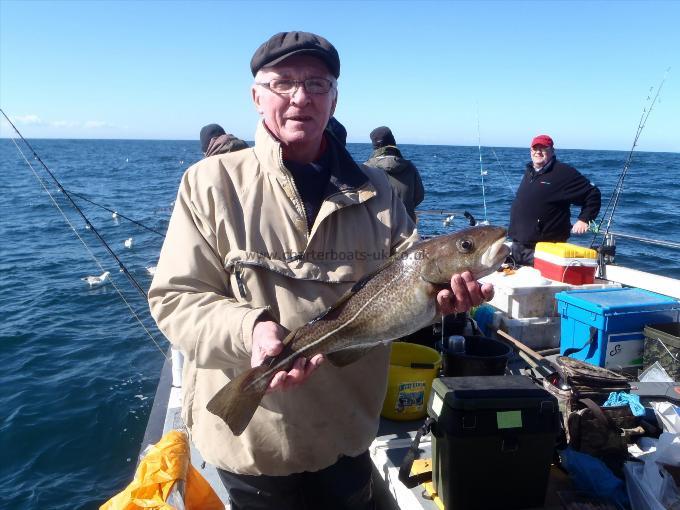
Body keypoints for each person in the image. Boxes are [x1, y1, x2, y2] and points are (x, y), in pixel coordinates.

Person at [148, 31, 493, 510]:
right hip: (256, 440)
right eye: (282, 83)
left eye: (316, 83)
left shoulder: (380, 192)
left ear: (334, 98)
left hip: (346, 427)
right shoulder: (210, 184)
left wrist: (442, 307)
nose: (299, 97)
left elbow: (410, 293)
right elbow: (175, 298)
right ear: (255, 96)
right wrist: (251, 330)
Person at [508, 134, 601, 266]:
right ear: (530, 151)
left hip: (545, 249)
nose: (538, 152)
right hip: (518, 245)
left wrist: (584, 219)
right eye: (535, 148)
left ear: (552, 150)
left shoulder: (563, 173)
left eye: (543, 148)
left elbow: (593, 194)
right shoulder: (530, 171)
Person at [364, 126, 424, 222]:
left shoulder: (365, 169)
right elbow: (419, 196)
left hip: (376, 229)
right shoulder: (410, 167)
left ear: (374, 146)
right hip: (406, 228)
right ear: (393, 142)